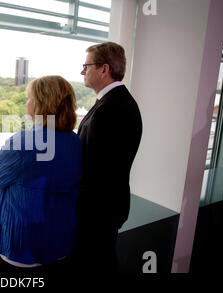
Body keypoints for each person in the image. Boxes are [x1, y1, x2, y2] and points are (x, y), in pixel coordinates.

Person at [0, 75, 82, 273]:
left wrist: (7, 183)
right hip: (60, 243)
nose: (27, 103)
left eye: (29, 98)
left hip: (23, 249)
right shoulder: (75, 142)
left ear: (40, 105)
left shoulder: (24, 142)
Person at [74, 42, 143, 272]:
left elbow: (94, 168)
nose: (82, 71)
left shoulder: (111, 108)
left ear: (104, 69)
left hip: (96, 211)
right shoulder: (115, 101)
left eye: (86, 65)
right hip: (106, 207)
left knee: (96, 264)